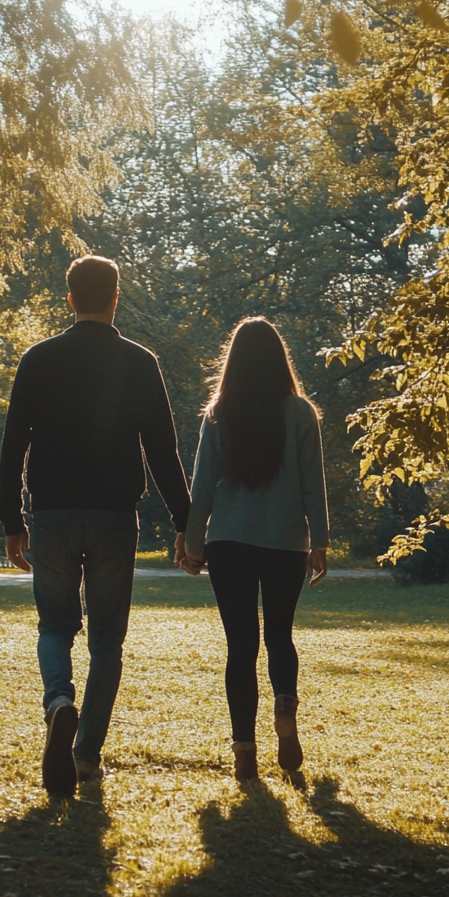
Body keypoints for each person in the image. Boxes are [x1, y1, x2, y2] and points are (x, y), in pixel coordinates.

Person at [0, 254, 191, 795]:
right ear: (115, 297)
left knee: (54, 626)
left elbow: (14, 445)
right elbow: (163, 451)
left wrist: (12, 520)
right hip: (113, 517)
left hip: (53, 513)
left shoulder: (38, 359)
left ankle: (59, 700)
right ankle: (84, 756)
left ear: (69, 299)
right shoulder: (139, 362)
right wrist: (185, 521)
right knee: (107, 639)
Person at [180, 317, 329, 781]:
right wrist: (319, 541)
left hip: (230, 541)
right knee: (279, 635)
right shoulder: (301, 413)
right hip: (285, 541)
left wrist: (192, 540)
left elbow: (202, 484)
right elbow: (312, 483)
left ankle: (245, 748)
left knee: (240, 645)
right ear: (279, 360)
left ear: (234, 362)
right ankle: (285, 703)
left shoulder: (220, 413)